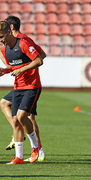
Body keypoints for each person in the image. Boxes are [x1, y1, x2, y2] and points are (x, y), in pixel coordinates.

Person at [0, 16, 46, 161]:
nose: (0, 40)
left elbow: (39, 60)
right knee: (15, 121)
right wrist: (4, 71)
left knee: (22, 117)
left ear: (9, 31)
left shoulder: (24, 42)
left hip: (32, 86)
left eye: (1, 36)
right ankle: (19, 157)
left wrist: (22, 70)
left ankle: (36, 147)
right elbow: (13, 66)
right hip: (18, 87)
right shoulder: (5, 49)